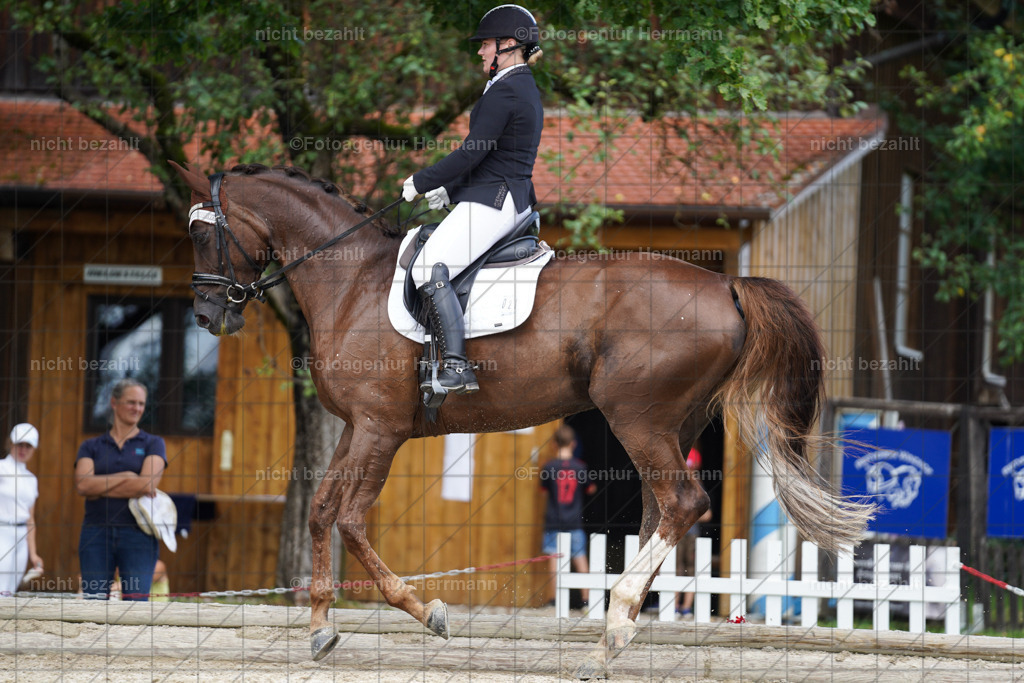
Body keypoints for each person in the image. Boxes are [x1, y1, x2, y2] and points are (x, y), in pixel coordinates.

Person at [402, 3, 544, 395]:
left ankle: (456, 366)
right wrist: (450, 190)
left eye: (485, 45)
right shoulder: (516, 86)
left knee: (429, 267)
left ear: (509, 44)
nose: (480, 52)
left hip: (496, 200)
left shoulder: (509, 89)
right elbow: (496, 156)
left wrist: (421, 179)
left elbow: (472, 152)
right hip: (499, 194)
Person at [75, 379, 166, 600]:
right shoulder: (90, 446)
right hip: (96, 532)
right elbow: (83, 485)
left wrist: (100, 486)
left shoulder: (153, 443)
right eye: (131, 402)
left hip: (138, 535)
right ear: (114, 402)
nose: (137, 408)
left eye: (141, 403)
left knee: (136, 605)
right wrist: (126, 477)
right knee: (94, 602)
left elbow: (147, 484)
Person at [540, 424, 596, 605]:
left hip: (553, 520)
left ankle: (553, 599)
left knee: (553, 559)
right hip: (574, 521)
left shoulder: (549, 467)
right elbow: (591, 489)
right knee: (580, 558)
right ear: (573, 444)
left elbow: (543, 491)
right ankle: (586, 599)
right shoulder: (580, 467)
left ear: (554, 444)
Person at [0, 424, 43, 595]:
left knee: (10, 590)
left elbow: (30, 518)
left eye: (28, 446)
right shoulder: (1, 468)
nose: (23, 449)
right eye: (20, 444)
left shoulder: (31, 479)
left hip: (21, 538)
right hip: (2, 532)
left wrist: (34, 554)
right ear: (11, 443)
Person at [676, 446, 712, 619]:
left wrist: (687, 517)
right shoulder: (676, 484)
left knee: (690, 569)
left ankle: (685, 607)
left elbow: (707, 515)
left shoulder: (698, 486)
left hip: (690, 534)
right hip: (677, 533)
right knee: (675, 569)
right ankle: (675, 605)